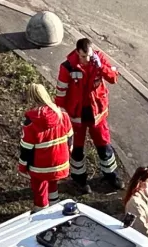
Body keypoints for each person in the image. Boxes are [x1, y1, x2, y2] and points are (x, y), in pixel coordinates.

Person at [55, 38, 124, 194]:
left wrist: (102, 68)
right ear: (77, 52)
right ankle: (80, 180)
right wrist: (61, 112)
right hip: (76, 114)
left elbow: (113, 78)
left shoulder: (98, 60)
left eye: (89, 56)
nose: (87, 60)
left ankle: (111, 175)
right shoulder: (67, 67)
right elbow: (61, 92)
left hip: (96, 113)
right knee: (77, 149)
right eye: (83, 56)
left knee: (104, 145)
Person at [18, 84, 73, 213]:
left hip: (40, 167)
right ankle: (55, 207)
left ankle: (41, 210)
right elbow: (70, 138)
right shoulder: (62, 115)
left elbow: (26, 149)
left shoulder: (31, 123)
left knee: (40, 187)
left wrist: (22, 167)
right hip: (60, 164)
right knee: (52, 181)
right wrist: (66, 155)